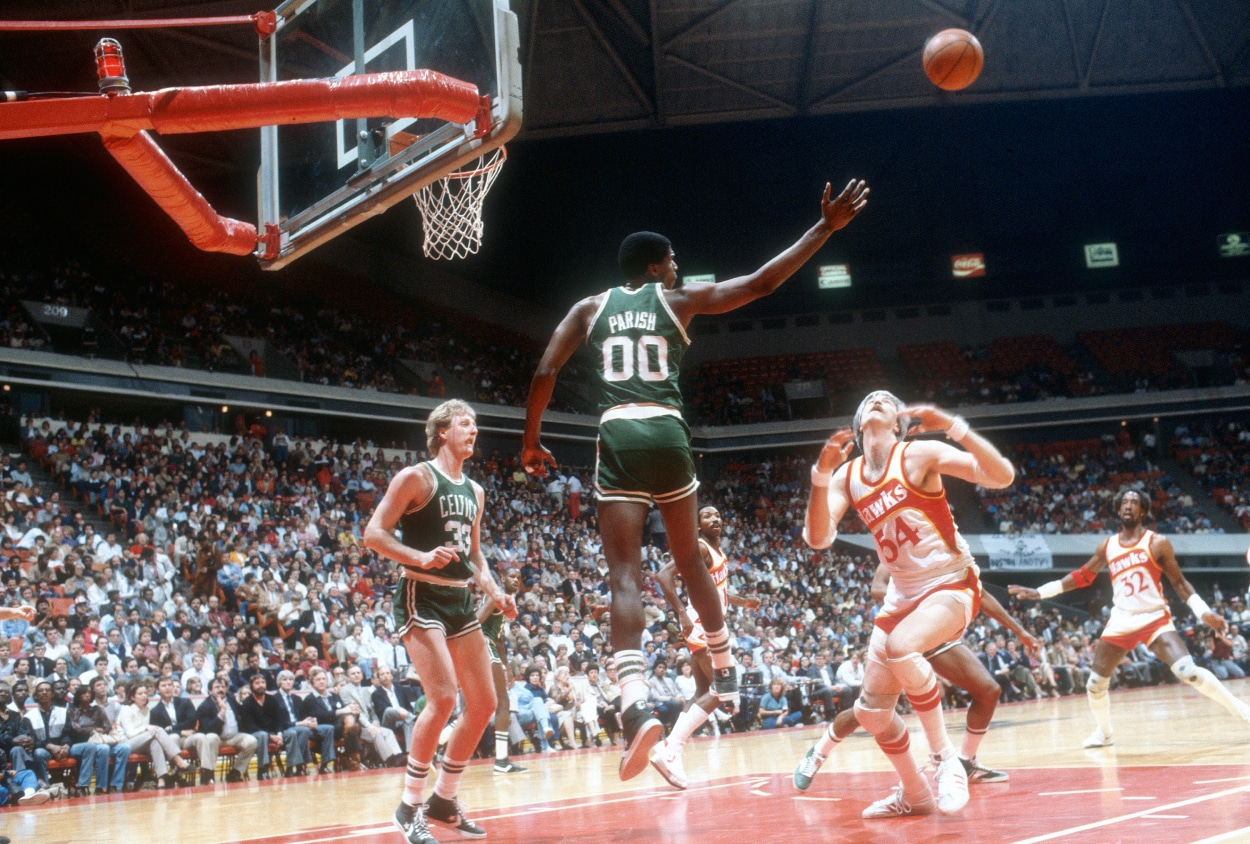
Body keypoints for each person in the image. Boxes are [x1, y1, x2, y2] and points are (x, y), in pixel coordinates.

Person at [521, 178, 870, 780]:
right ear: (656, 268)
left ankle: (634, 707)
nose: (679, 267)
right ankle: (727, 661)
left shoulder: (587, 308)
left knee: (624, 573)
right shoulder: (676, 302)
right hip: (668, 433)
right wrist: (825, 228)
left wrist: (530, 441)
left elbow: (546, 368)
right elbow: (761, 283)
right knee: (689, 559)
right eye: (674, 260)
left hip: (619, 434)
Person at [800, 390, 1015, 818]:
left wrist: (954, 426)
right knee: (872, 712)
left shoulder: (919, 454)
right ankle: (915, 794)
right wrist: (820, 478)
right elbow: (818, 539)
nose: (879, 399)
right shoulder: (848, 475)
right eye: (870, 399)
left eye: (887, 400)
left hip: (950, 582)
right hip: (902, 594)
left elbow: (1002, 476)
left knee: (901, 646)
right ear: (860, 424)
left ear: (898, 423)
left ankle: (946, 760)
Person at [362, 399, 517, 844]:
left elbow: (474, 557)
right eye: (465, 423)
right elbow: (374, 534)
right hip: (420, 596)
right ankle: (408, 806)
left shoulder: (475, 490)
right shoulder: (416, 477)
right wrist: (421, 558)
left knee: (484, 704)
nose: (474, 431)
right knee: (444, 698)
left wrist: (496, 593)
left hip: (460, 602)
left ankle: (444, 800)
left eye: (475, 425)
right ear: (442, 431)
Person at [1009, 488, 1250, 748]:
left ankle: (1242, 711)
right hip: (1121, 620)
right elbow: (1082, 576)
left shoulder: (1157, 542)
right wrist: (1040, 592)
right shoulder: (1108, 546)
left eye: (1134, 502)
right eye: (1124, 501)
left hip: (1154, 617)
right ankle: (1104, 733)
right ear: (1118, 508)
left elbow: (1179, 583)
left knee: (1187, 671)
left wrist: (1205, 613)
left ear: (1143, 510)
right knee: (1094, 685)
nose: (1128, 505)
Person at [795, 565, 1040, 792]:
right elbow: (877, 589)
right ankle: (817, 753)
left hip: (935, 634)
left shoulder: (947, 549)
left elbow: (981, 594)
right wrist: (924, 601)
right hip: (902, 632)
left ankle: (966, 762)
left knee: (988, 690)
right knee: (870, 711)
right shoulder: (898, 542)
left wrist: (1020, 632)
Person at [651, 505, 760, 788]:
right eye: (707, 515)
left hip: (708, 623)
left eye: (717, 514)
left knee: (702, 691)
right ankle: (671, 748)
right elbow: (663, 575)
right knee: (723, 690)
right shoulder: (698, 547)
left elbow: (718, 592)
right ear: (698, 526)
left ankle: (671, 749)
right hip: (701, 625)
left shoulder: (716, 553)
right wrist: (680, 613)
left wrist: (743, 601)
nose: (716, 518)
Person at [477, 566, 527, 773]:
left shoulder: (504, 599)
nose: (516, 580)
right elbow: (475, 620)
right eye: (511, 576)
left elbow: (499, 640)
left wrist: (507, 667)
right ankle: (501, 761)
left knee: (483, 705)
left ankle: (440, 740)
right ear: (502, 578)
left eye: (518, 577)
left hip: (490, 646)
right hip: (482, 645)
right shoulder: (495, 595)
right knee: (502, 702)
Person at [115, 682, 192, 789]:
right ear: (132, 697)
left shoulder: (146, 709)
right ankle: (178, 759)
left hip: (141, 742)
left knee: (154, 742)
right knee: (158, 730)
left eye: (145, 693)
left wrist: (146, 729)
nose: (144, 696)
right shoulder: (126, 709)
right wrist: (145, 727)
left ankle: (161, 779)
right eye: (140, 694)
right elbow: (130, 734)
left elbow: (147, 734)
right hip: (126, 744)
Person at [149, 676, 218, 785]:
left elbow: (191, 721)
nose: (167, 688)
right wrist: (180, 731)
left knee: (201, 736)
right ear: (158, 690)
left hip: (188, 738)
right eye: (163, 685)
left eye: (169, 685)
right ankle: (178, 774)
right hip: (171, 741)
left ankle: (206, 773)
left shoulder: (185, 702)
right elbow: (159, 732)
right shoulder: (155, 711)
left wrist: (172, 728)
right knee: (173, 737)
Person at [64, 685, 129, 795]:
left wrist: (95, 731)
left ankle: (115, 784)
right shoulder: (72, 711)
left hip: (99, 740)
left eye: (89, 693)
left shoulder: (98, 709)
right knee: (103, 749)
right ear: (79, 695)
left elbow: (107, 726)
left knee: (125, 748)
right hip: (81, 743)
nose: (87, 695)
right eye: (84, 693)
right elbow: (76, 729)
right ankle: (101, 786)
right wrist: (95, 729)